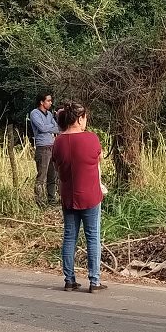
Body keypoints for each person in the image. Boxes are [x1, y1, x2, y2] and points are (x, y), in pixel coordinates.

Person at [51, 102, 106, 292]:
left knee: (69, 236)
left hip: (68, 195)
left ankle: (69, 279)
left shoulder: (58, 142)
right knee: (92, 237)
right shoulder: (91, 138)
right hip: (90, 195)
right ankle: (94, 281)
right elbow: (99, 159)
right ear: (80, 118)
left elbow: (57, 167)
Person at [28, 92, 60, 205]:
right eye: (48, 100)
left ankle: (51, 199)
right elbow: (41, 127)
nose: (50, 103)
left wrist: (49, 128)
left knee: (53, 175)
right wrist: (51, 127)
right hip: (42, 147)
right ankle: (39, 201)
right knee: (42, 175)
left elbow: (57, 128)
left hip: (52, 146)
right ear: (42, 102)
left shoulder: (50, 114)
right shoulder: (34, 113)